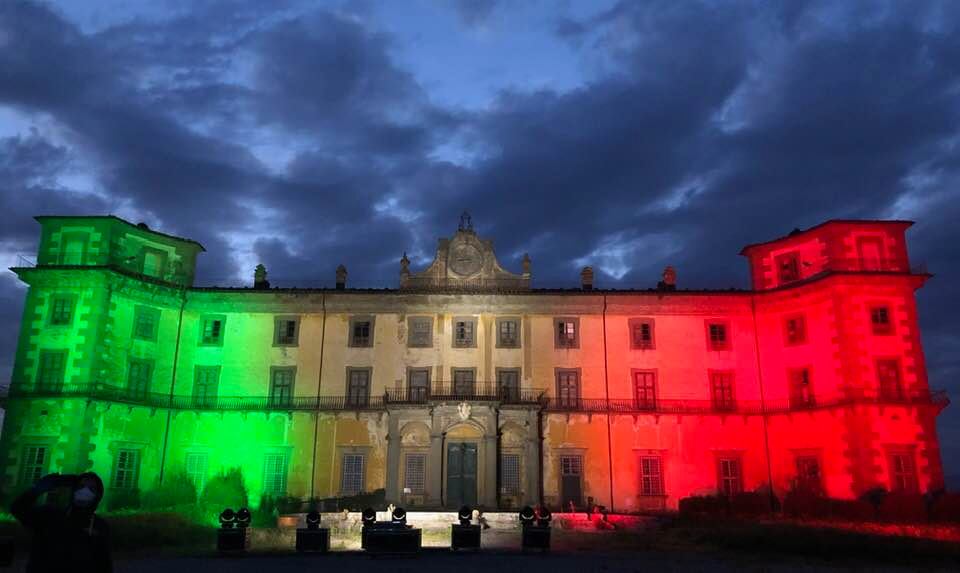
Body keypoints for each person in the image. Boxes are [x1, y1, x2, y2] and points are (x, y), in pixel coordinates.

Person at [10, 472, 112, 573]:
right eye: (81, 486)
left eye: (91, 489)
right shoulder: (50, 515)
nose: (85, 491)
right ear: (73, 490)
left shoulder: (100, 526)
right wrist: (37, 490)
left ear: (97, 496)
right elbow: (18, 509)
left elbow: (104, 565)